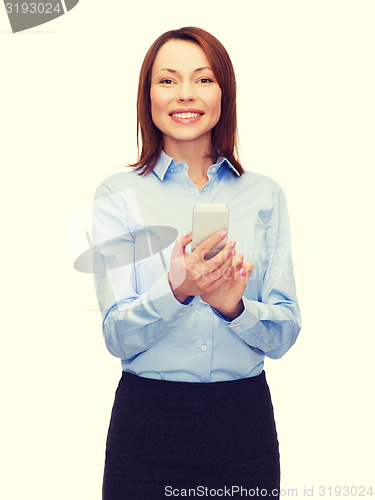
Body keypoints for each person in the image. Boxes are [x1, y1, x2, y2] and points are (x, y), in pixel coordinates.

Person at [92, 26, 302, 499]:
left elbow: (286, 330)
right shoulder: (115, 196)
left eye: (203, 79)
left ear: (224, 92)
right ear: (147, 96)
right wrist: (177, 290)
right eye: (167, 81)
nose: (185, 94)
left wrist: (235, 308)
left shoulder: (264, 195)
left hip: (241, 426)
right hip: (146, 425)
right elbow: (116, 336)